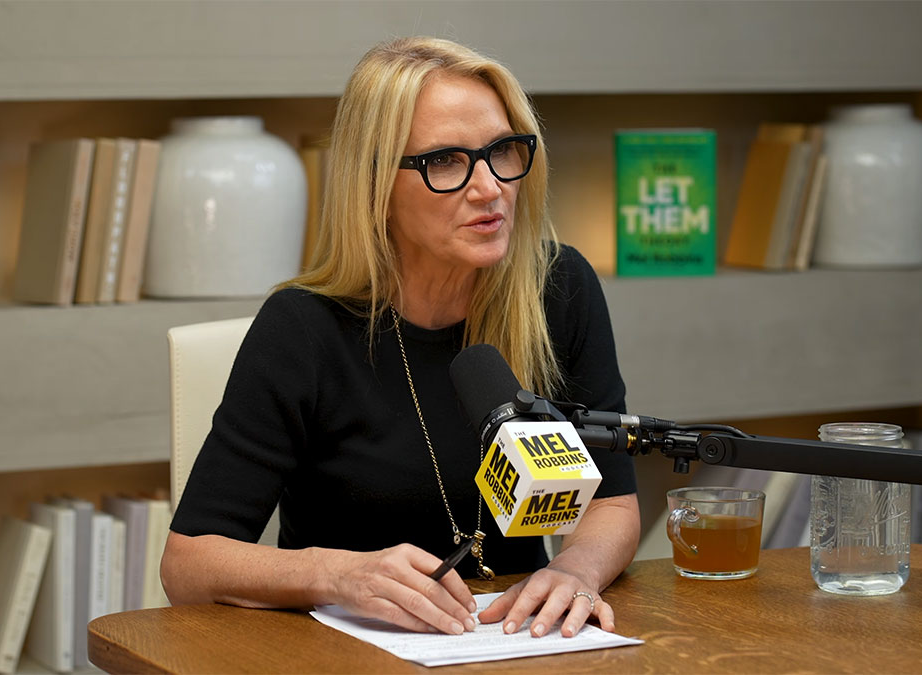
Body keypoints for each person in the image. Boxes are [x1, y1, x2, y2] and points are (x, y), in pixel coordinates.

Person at [161, 36, 642, 640]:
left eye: (502, 150)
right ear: (375, 185)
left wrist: (575, 570)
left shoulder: (558, 288)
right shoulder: (302, 329)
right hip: (342, 651)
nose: (489, 187)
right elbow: (188, 564)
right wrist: (338, 575)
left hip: (515, 641)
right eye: (445, 161)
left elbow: (612, 502)